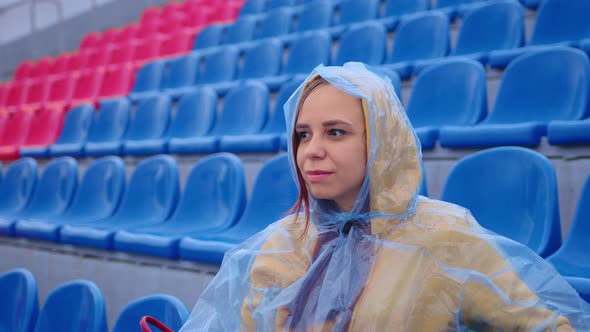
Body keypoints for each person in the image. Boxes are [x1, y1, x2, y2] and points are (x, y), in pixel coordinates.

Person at [180, 62, 590, 331]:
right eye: (303, 134)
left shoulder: (445, 238)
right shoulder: (284, 240)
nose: (311, 150)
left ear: (382, 142)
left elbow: (546, 325)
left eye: (335, 132)